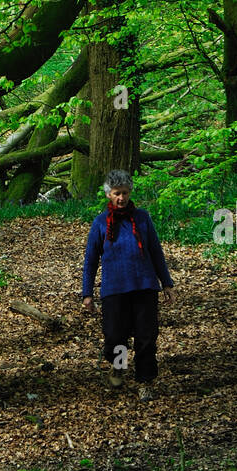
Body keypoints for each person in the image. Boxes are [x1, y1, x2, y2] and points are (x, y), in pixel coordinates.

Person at [82, 169, 174, 401]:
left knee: (146, 337)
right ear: (109, 195)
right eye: (116, 194)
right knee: (115, 336)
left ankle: (145, 381)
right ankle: (119, 365)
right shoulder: (101, 223)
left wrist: (167, 283)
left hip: (144, 285)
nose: (121, 198)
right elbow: (91, 260)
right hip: (114, 289)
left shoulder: (143, 218)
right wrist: (87, 293)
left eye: (124, 193)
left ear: (130, 192)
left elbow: (156, 251)